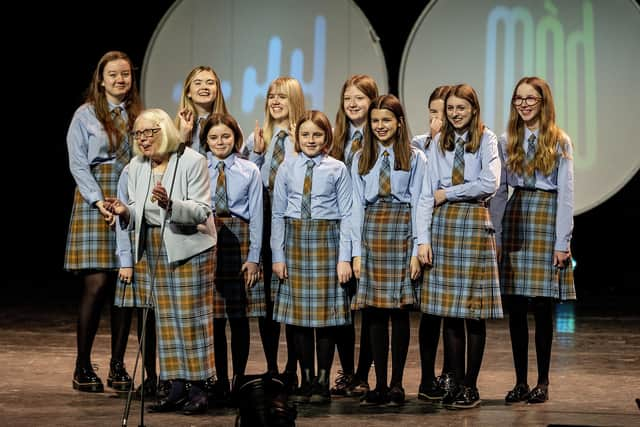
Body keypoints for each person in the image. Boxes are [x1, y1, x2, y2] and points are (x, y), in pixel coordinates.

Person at [105, 108, 217, 415]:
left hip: (189, 248)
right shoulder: (136, 166)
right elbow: (137, 209)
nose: (142, 140)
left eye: (148, 132)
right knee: (166, 321)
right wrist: (123, 211)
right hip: (154, 247)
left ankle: (199, 388)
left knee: (190, 320)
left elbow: (202, 210)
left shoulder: (192, 161)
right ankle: (176, 387)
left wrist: (171, 203)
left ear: (164, 131)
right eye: (138, 134)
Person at [489, 76, 576, 405]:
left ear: (543, 102)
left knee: (542, 306)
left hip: (546, 216)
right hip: (516, 216)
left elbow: (567, 194)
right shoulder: (505, 139)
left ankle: (543, 381)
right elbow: (499, 192)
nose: (524, 104)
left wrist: (562, 241)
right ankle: (521, 381)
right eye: (518, 99)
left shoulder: (558, 140)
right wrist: (495, 234)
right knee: (516, 306)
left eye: (531, 99)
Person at [416, 83, 502, 409]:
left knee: (473, 311)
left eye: (460, 108)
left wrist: (450, 193)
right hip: (444, 226)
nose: (454, 114)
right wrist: (423, 238)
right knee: (450, 311)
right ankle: (453, 382)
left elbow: (488, 184)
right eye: (450, 108)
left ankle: (471, 385)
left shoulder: (487, 139)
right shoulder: (439, 142)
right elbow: (429, 189)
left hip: (473, 223)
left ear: (473, 109)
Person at [64, 50, 141, 393]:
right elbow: (78, 163)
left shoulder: (139, 113)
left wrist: (129, 202)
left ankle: (118, 366)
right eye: (113, 74)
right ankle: (82, 365)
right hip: (95, 198)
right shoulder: (86, 115)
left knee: (124, 288)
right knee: (96, 284)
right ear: (101, 79)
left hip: (128, 197)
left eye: (125, 74)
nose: (120, 80)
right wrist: (98, 201)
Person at [271, 110, 353, 404]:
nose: (311, 140)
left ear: (327, 137)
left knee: (326, 318)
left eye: (317, 134)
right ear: (297, 137)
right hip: (295, 241)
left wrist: (345, 257)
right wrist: (277, 255)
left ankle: (321, 379)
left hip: (326, 240)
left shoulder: (337, 168)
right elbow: (278, 213)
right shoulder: (287, 167)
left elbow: (347, 214)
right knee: (300, 319)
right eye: (305, 134)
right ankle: (305, 378)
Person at [351, 95, 425, 406]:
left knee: (398, 311)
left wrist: (417, 247)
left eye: (387, 120)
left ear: (399, 123)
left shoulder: (415, 157)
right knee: (375, 313)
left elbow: (421, 201)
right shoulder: (359, 157)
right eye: (376, 120)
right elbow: (354, 206)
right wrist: (355, 251)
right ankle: (378, 384)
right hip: (371, 231)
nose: (381, 126)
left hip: (401, 230)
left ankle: (396, 384)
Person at [244, 76, 306, 391]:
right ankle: (271, 366)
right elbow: (244, 178)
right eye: (271, 96)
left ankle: (293, 367)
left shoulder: (304, 135)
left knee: (291, 296)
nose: (275, 102)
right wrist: (256, 152)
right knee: (265, 300)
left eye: (282, 96)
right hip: (263, 217)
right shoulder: (259, 137)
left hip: (291, 221)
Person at [202, 113, 265, 403]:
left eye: (225, 136)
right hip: (208, 235)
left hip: (239, 236)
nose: (220, 142)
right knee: (214, 318)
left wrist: (254, 257)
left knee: (238, 317)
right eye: (213, 137)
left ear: (235, 138)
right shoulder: (198, 166)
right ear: (205, 140)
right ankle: (220, 380)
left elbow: (258, 216)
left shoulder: (249, 169)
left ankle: (239, 377)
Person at [328, 74, 378, 398]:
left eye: (359, 98)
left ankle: (363, 372)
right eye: (348, 98)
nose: (352, 104)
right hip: (338, 229)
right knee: (340, 304)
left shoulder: (379, 136)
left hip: (370, 226)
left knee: (371, 305)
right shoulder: (337, 139)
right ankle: (347, 370)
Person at [411, 85, 457, 402]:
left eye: (442, 112)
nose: (437, 118)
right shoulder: (417, 145)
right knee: (429, 312)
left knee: (452, 310)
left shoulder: (462, 145)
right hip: (424, 229)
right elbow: (421, 193)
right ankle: (427, 378)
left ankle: (451, 374)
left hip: (451, 227)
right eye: (433, 112)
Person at [113, 165, 160, 399]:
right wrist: (126, 260)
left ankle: (177, 378)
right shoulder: (130, 171)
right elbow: (121, 218)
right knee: (147, 315)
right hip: (141, 249)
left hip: (167, 246)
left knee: (170, 319)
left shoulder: (179, 166)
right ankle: (151, 376)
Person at [175, 66, 229, 154]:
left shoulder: (230, 126)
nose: (204, 87)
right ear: (188, 92)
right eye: (198, 83)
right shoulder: (176, 128)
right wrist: (182, 138)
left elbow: (241, 161)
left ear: (217, 90)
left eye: (210, 83)